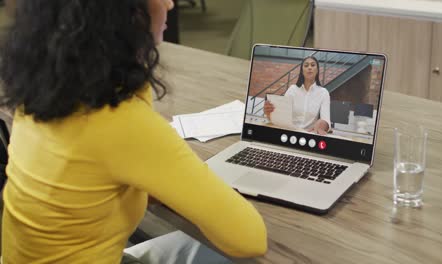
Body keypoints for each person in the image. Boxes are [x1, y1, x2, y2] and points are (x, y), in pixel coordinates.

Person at [0, 0, 267, 263]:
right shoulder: (118, 122)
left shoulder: (41, 96)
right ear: (123, 12)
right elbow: (250, 239)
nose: (170, 5)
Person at [264, 56, 331, 135]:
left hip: (309, 134)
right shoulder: (292, 89)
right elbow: (282, 116)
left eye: (313, 65)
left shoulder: (323, 92)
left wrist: (322, 124)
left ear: (317, 70)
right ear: (302, 71)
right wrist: (270, 114)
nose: (309, 67)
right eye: (306, 65)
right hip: (289, 132)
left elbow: (326, 120)